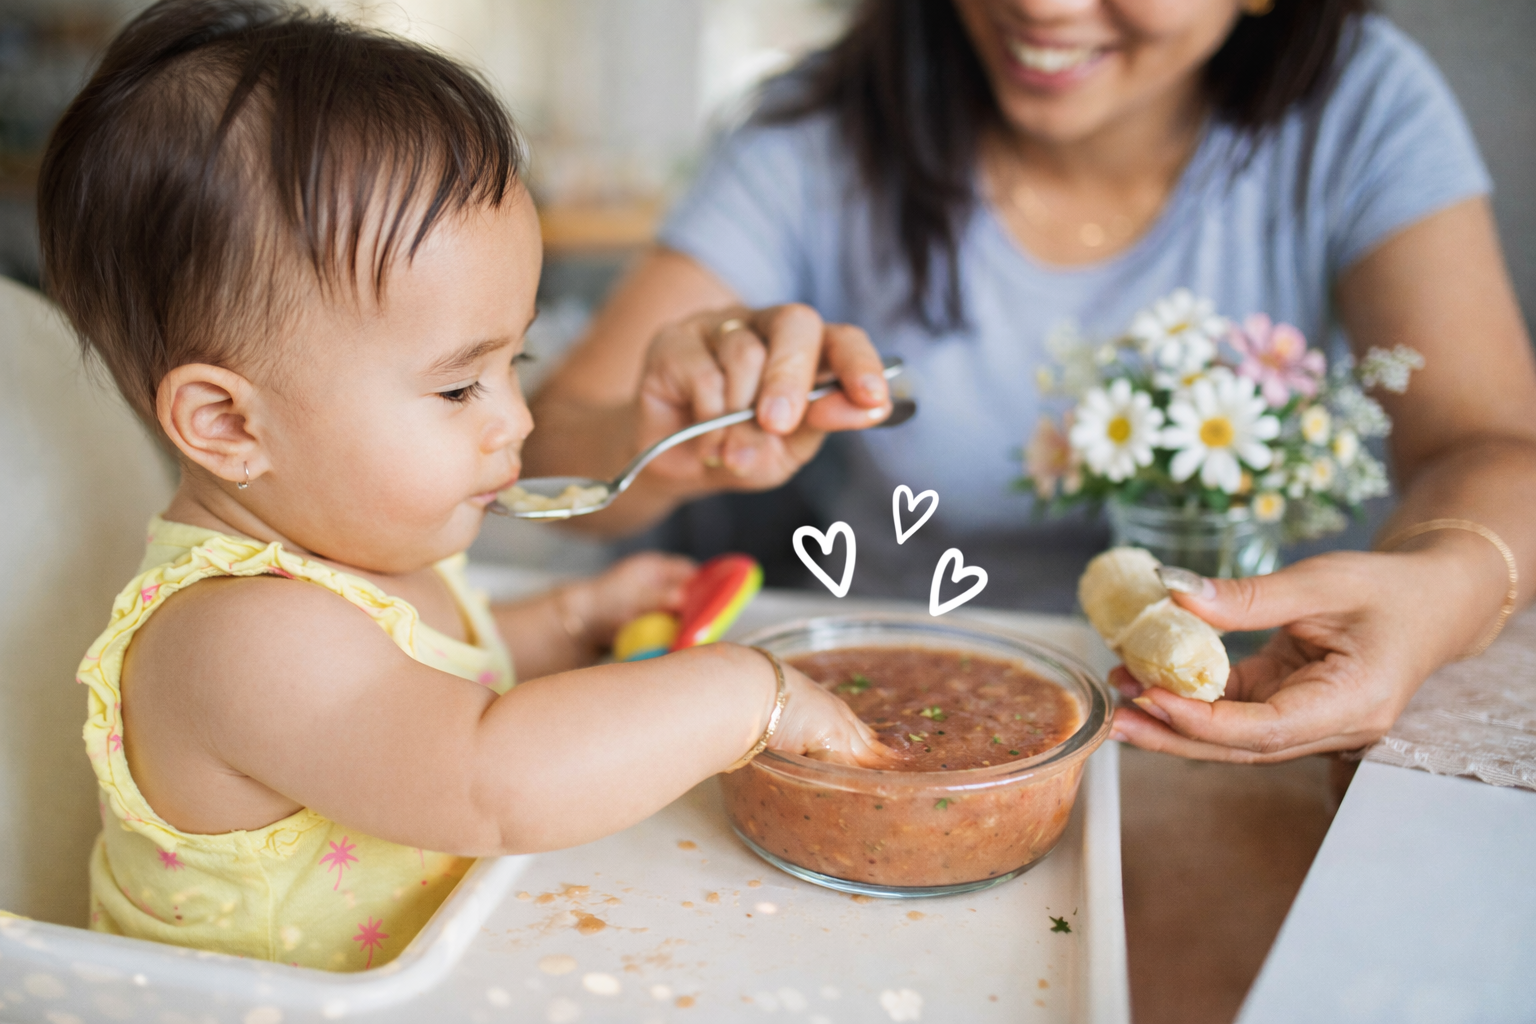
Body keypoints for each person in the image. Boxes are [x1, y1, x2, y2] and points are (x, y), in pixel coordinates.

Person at [37, 0, 882, 970]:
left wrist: (569, 618)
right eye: (457, 386)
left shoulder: (351, 552)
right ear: (229, 423)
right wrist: (741, 694)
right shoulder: (237, 635)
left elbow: (416, 684)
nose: (516, 419)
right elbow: (489, 776)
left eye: (516, 363)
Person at [527, 0, 1536, 762]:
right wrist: (661, 441)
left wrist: (1443, 587)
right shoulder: (817, 128)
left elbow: (1495, 447)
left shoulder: (1359, 106)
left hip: (1269, 741)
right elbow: (549, 453)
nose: (1041, 8)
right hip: (888, 727)